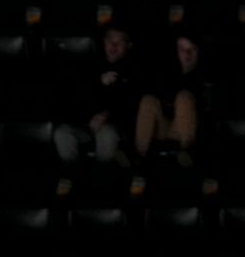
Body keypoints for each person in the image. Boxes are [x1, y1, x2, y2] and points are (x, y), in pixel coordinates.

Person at [54, 25, 140, 165]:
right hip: (86, 127)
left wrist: (107, 115)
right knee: (62, 133)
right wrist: (99, 82)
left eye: (120, 42)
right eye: (110, 40)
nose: (113, 45)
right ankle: (72, 175)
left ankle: (101, 178)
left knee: (106, 133)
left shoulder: (135, 69)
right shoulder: (90, 64)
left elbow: (132, 106)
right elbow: (72, 97)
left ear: (128, 45)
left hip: (116, 129)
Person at [135, 31, 209, 166]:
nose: (186, 54)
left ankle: (188, 154)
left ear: (198, 51)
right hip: (168, 127)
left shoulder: (206, 75)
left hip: (190, 131)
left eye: (191, 49)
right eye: (182, 49)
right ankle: (140, 156)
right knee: (148, 100)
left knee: (184, 97)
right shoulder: (169, 73)